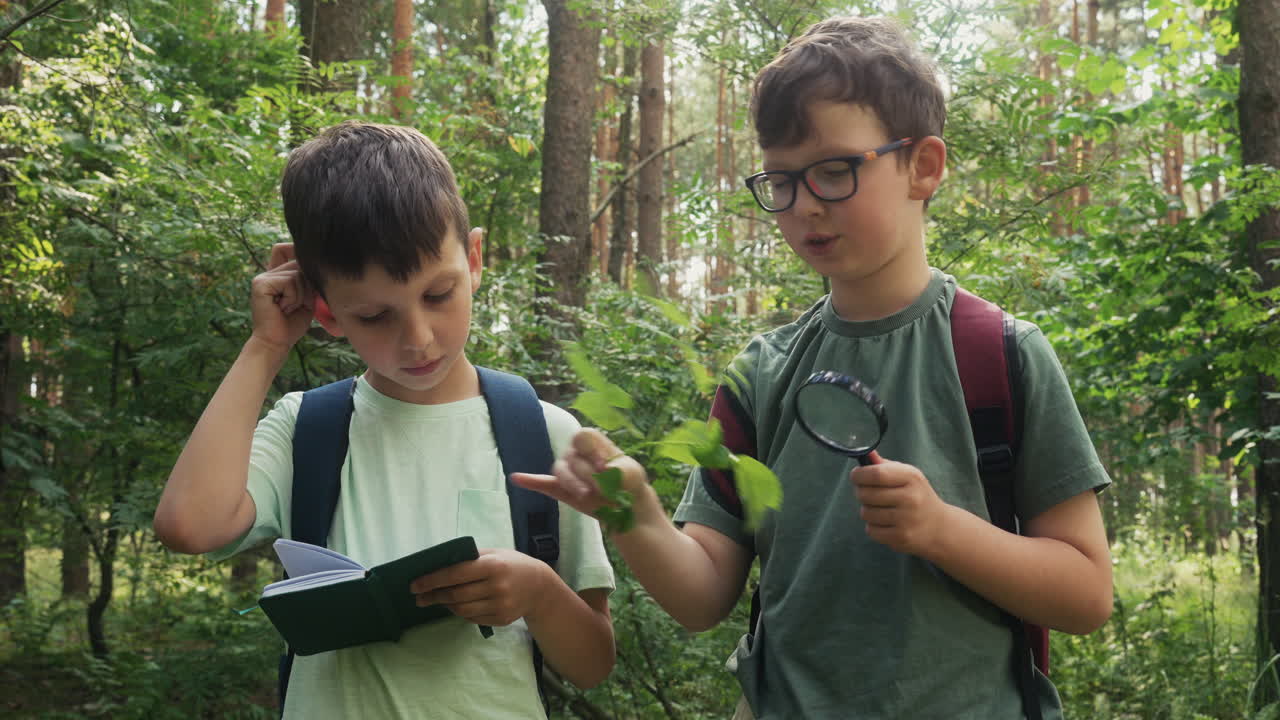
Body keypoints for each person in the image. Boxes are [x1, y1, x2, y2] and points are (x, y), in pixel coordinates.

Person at [513, 16, 1111, 719]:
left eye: (834, 171)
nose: (804, 208)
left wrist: (944, 531)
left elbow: (1086, 593)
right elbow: (704, 597)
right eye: (782, 181)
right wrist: (635, 513)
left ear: (923, 166)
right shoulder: (760, 376)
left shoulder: (1001, 354)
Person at [153, 121, 615, 719]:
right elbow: (188, 526)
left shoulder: (542, 432)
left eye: (439, 294)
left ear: (474, 259)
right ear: (326, 310)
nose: (418, 339)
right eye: (375, 315)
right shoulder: (308, 430)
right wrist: (266, 346)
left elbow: (592, 664)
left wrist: (539, 592)